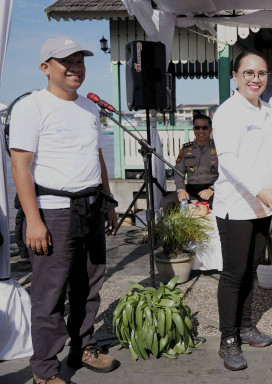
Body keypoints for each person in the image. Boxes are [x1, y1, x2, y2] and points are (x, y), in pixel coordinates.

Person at [10, 36, 120, 384]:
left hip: (91, 208)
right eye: (66, 62)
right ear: (46, 68)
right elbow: (20, 167)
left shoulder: (89, 108)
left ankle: (83, 346)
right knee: (50, 293)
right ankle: (44, 370)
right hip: (54, 212)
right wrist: (33, 220)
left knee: (88, 286)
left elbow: (97, 158)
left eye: (80, 61)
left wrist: (109, 203)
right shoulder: (31, 106)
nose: (76, 68)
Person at [212, 50, 272, 371]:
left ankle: (246, 326)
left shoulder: (269, 111)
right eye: (248, 73)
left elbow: (269, 157)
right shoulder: (227, 112)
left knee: (251, 270)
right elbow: (229, 160)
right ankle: (228, 339)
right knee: (234, 274)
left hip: (263, 207)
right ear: (235, 76)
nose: (255, 79)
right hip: (235, 207)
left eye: (261, 73)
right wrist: (260, 189)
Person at [161, 114, 218, 212]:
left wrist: (212, 189)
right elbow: (178, 172)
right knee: (168, 202)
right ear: (193, 129)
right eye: (197, 127)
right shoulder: (186, 149)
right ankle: (174, 227)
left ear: (210, 129)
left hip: (213, 189)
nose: (200, 131)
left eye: (204, 128)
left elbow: (226, 174)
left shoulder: (219, 148)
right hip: (191, 190)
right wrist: (181, 190)